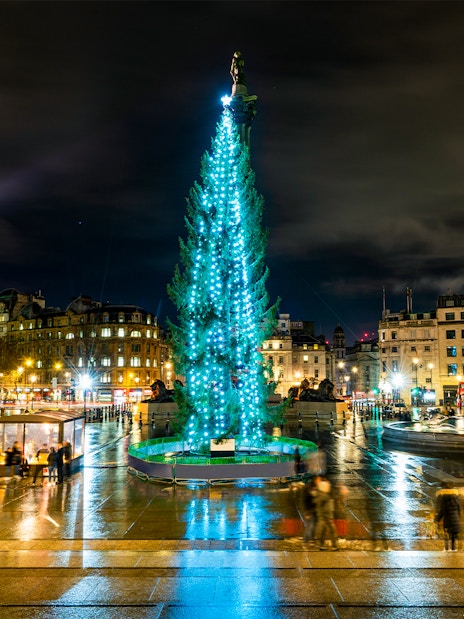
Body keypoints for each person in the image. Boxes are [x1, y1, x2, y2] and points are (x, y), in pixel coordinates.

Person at [435, 482, 461, 551]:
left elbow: (442, 511)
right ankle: (453, 548)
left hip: (448, 520)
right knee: (453, 536)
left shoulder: (444, 500)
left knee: (447, 535)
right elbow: (459, 510)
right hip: (456, 520)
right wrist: (458, 518)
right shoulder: (456, 499)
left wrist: (437, 519)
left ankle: (446, 548)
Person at [314, 479, 338, 550]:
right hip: (326, 516)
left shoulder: (321, 495)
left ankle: (322, 545)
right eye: (327, 486)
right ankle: (334, 546)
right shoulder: (324, 496)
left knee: (323, 531)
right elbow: (326, 506)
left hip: (323, 516)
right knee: (332, 531)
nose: (328, 487)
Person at [302, 476, 320, 544]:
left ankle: (310, 539)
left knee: (313, 525)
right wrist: (307, 512)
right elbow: (306, 500)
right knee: (310, 525)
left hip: (314, 510)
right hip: (310, 510)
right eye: (318, 479)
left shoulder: (315, 487)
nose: (319, 481)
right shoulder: (309, 488)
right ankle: (307, 540)